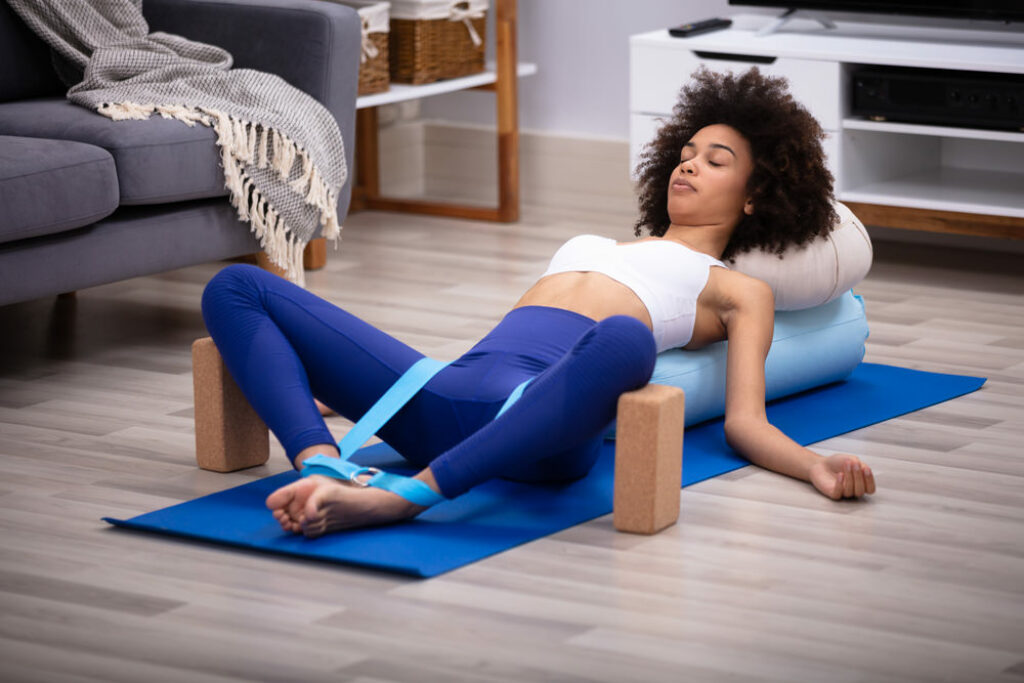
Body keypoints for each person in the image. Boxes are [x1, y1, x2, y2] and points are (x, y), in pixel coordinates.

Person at [201, 67, 875, 539]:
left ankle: (400, 498)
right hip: (446, 393)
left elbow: (744, 422)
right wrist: (331, 386)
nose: (688, 164)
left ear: (755, 197)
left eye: (717, 160)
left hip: (541, 431)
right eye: (687, 152)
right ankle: (319, 462)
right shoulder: (610, 243)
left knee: (625, 340)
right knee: (235, 286)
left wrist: (817, 465)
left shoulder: (738, 288)